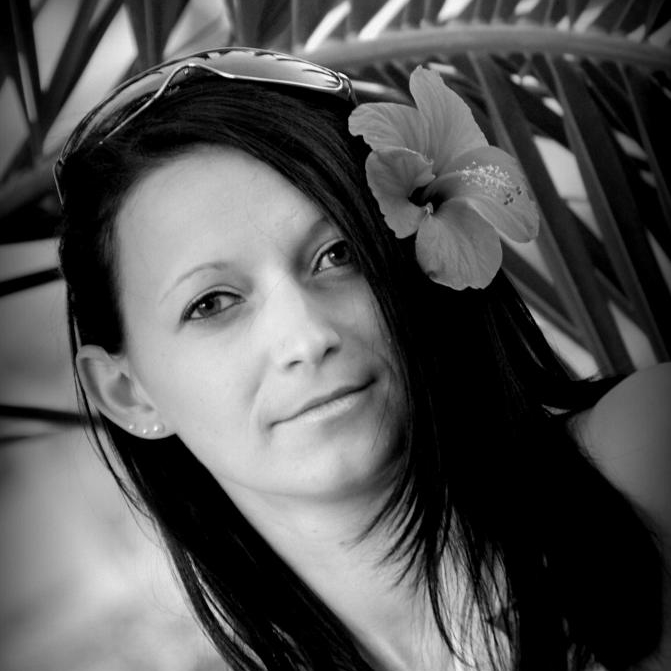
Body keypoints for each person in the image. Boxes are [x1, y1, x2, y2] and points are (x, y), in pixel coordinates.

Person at [54, 47, 669, 670]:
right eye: (211, 303)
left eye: (338, 254)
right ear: (128, 393)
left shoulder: (650, 450)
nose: (306, 337)